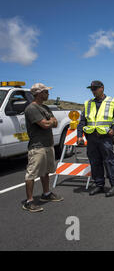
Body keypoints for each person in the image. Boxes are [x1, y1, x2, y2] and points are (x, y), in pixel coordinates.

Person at [77, 80, 114, 197]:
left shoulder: (112, 102)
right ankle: (99, 185)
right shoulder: (88, 103)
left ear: (102, 88)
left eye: (95, 88)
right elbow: (82, 121)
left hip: (105, 138)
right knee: (95, 162)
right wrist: (79, 136)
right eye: (92, 89)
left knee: (109, 161)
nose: (93, 91)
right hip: (92, 138)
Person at [23, 83, 64, 212]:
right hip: (37, 146)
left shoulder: (45, 107)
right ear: (39, 93)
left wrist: (49, 121)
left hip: (48, 144)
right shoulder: (32, 108)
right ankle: (29, 201)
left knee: (46, 171)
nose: (48, 94)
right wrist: (49, 121)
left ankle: (46, 194)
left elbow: (54, 122)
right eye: (46, 92)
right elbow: (45, 125)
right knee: (32, 173)